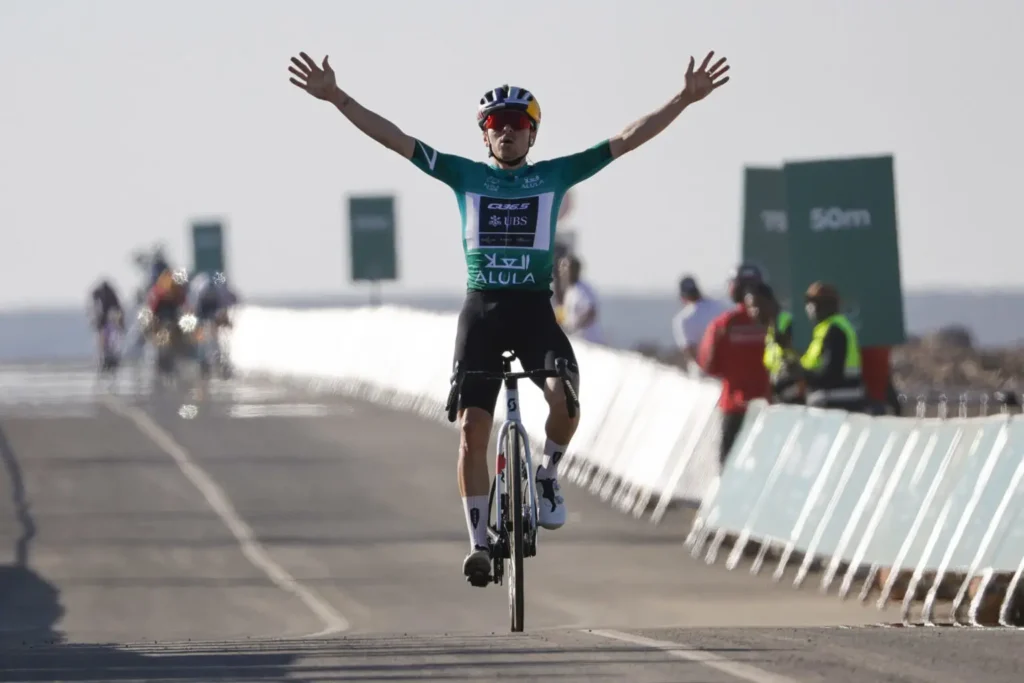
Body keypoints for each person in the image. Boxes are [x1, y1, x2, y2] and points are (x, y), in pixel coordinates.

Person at [287, 48, 731, 584]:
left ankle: (547, 475)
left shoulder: (555, 176)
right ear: (484, 135)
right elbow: (394, 138)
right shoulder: (463, 175)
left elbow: (626, 140)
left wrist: (683, 98)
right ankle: (478, 543)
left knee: (564, 396)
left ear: (532, 135)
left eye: (518, 124)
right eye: (496, 124)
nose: (507, 132)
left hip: (532, 311)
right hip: (482, 311)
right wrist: (337, 98)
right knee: (473, 431)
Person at [696, 264, 770, 467]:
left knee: (728, 465)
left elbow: (708, 365)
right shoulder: (773, 323)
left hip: (734, 404)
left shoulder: (723, 324)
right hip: (769, 405)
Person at [797, 282, 866, 411]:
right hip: (831, 398)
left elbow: (832, 374)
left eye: (814, 303)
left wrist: (802, 375)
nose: (809, 308)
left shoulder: (835, 330)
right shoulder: (824, 330)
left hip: (839, 400)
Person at [744, 282, 803, 404]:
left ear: (770, 301)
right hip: (781, 398)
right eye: (749, 308)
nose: (753, 312)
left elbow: (799, 360)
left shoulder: (787, 323)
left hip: (796, 399)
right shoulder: (770, 330)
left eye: (756, 306)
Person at [671, 275, 728, 373]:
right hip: (725, 367)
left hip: (701, 373)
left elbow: (689, 350)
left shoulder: (682, 318)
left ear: (682, 296)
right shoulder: (719, 307)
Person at [558, 255, 605, 345]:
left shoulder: (583, 289)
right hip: (576, 340)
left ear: (575, 270)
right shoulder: (570, 290)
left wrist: (575, 326)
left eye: (566, 267)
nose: (563, 271)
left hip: (589, 341)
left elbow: (591, 312)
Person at [89, 279, 125, 361]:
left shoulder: (106, 297)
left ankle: (107, 355)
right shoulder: (110, 296)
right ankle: (107, 355)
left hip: (108, 321)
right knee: (106, 339)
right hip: (106, 321)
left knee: (109, 339)